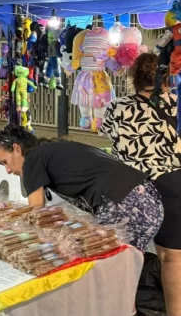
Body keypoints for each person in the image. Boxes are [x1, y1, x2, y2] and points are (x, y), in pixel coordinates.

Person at [0, 124, 163, 252]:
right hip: (148, 199)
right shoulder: (51, 151)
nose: (7, 170)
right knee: (125, 264)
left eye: (5, 161)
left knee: (111, 263)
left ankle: (118, 302)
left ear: (17, 149)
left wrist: (17, 237)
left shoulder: (33, 159)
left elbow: (36, 211)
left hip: (125, 203)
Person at [100, 52, 181, 315]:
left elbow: (106, 135)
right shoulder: (177, 103)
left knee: (130, 255)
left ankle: (123, 308)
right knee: (174, 257)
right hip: (175, 181)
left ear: (135, 78)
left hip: (139, 188)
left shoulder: (117, 107)